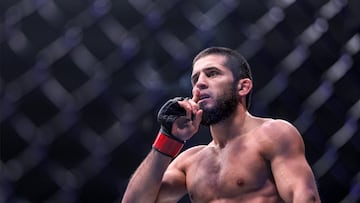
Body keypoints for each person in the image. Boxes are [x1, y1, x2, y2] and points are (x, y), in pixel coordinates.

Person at [121, 47, 321, 203]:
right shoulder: (190, 162)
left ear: (242, 87)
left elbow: (304, 197)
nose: (200, 83)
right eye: (195, 78)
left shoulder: (272, 134)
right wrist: (168, 138)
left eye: (212, 73)